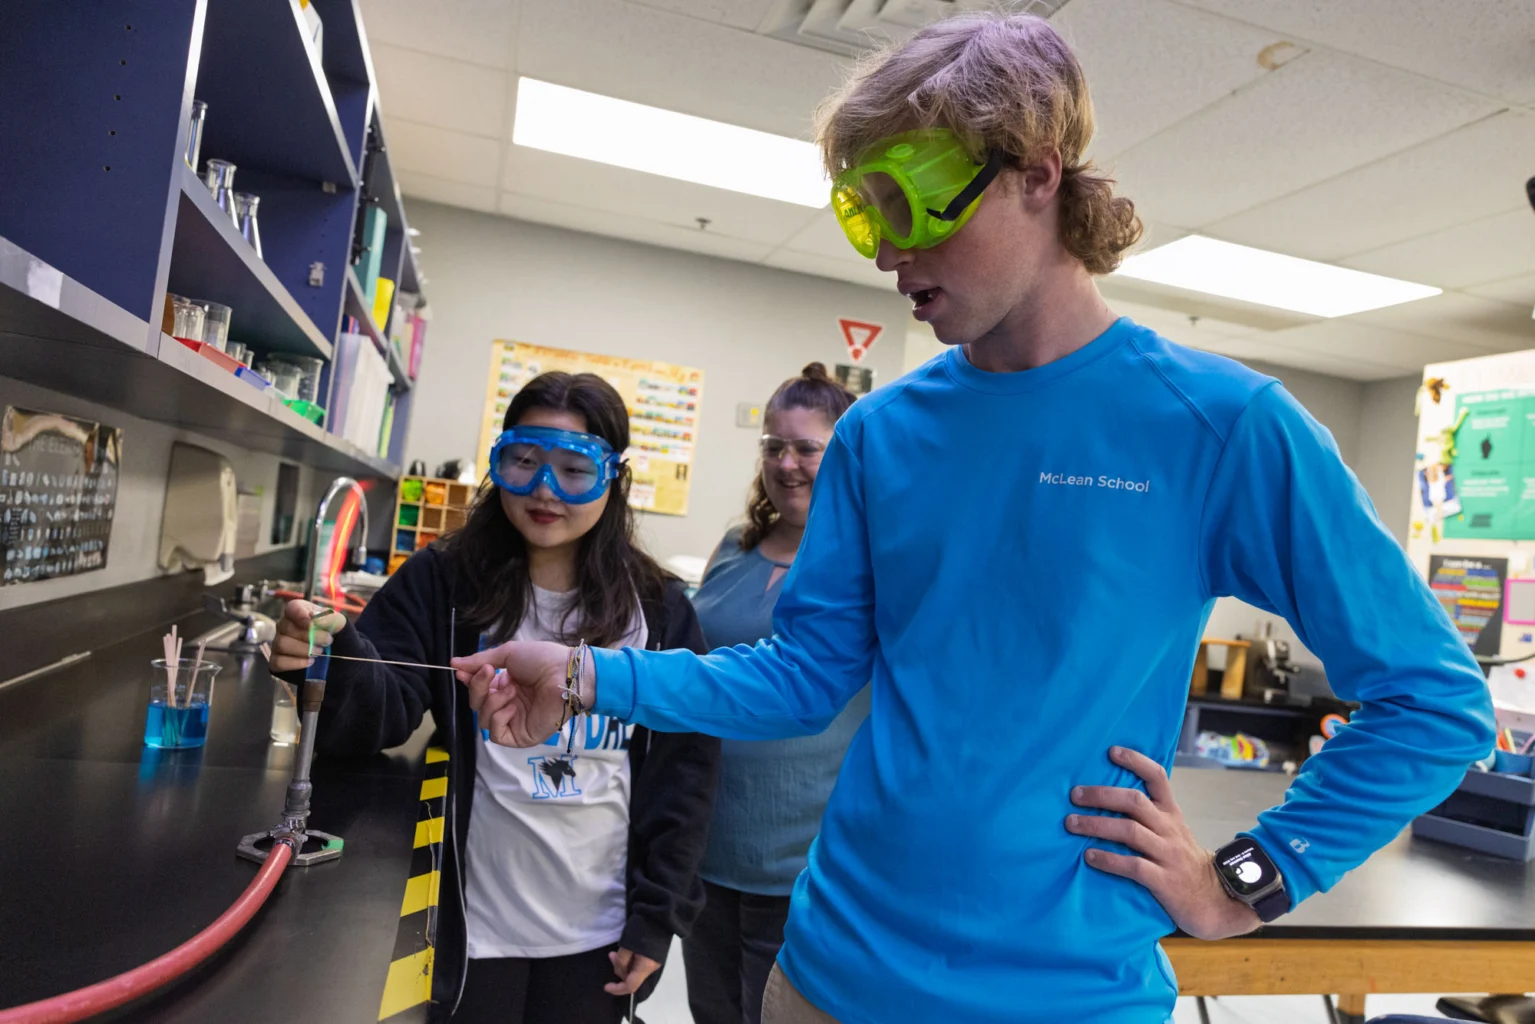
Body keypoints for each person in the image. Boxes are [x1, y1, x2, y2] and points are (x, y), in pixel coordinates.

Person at [453, 13, 1494, 1024]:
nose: (884, 254)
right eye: (862, 216)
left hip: (1064, 997)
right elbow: (804, 673)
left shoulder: (1218, 428)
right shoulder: (880, 436)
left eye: (908, 207)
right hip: (824, 976)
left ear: (1037, 173)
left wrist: (1243, 880)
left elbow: (1431, 701)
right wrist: (587, 673)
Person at [269, 372, 720, 1024]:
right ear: (499, 461)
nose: (544, 489)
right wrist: (329, 660)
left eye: (574, 469)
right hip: (470, 923)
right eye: (525, 462)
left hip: (598, 928)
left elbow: (687, 776)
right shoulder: (447, 580)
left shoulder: (657, 609)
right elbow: (386, 707)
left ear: (614, 478)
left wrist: (657, 918)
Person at [683, 364, 870, 1024]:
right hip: (708, 845)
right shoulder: (734, 548)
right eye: (772, 445)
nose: (786, 463)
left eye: (806, 447)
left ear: (843, 454)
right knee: (711, 1012)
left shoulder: (872, 565)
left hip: (802, 861)